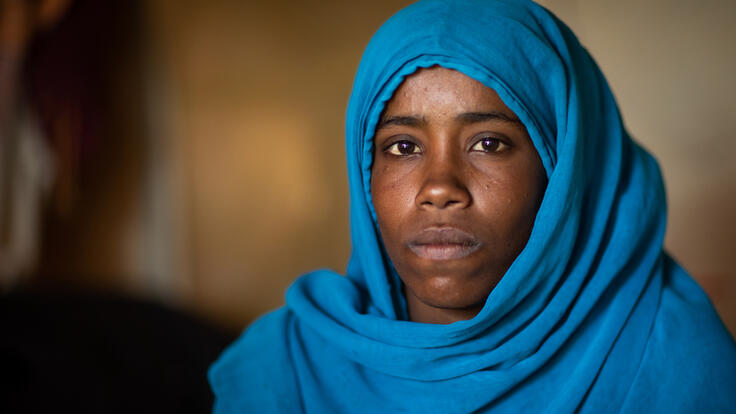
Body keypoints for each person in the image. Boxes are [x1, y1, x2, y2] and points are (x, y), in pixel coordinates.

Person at [208, 0, 736, 412]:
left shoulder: (673, 360)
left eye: (489, 143)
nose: (439, 187)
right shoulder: (283, 370)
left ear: (566, 172)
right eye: (402, 147)